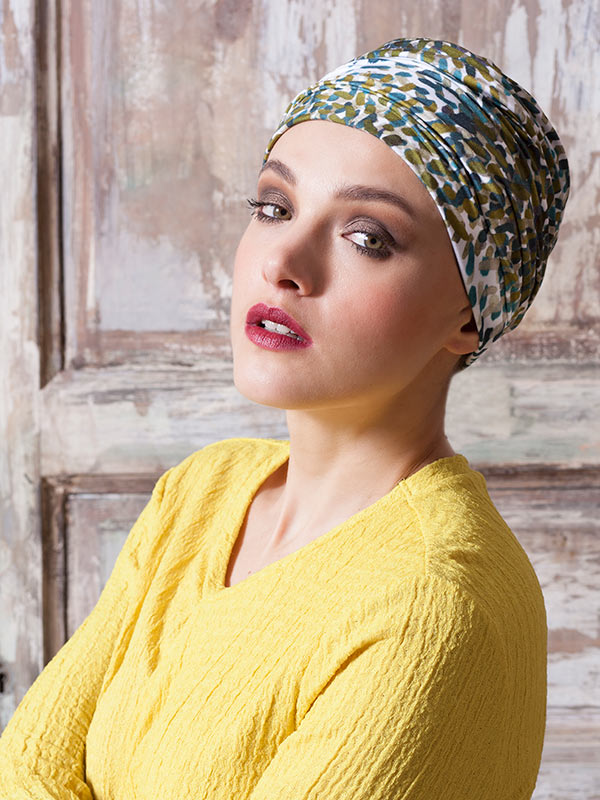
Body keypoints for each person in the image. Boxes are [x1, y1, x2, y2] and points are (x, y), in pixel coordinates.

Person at [0, 37, 569, 799]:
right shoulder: (202, 493)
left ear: (470, 314)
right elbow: (26, 766)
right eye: (275, 207)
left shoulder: (434, 602)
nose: (282, 262)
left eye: (367, 239)